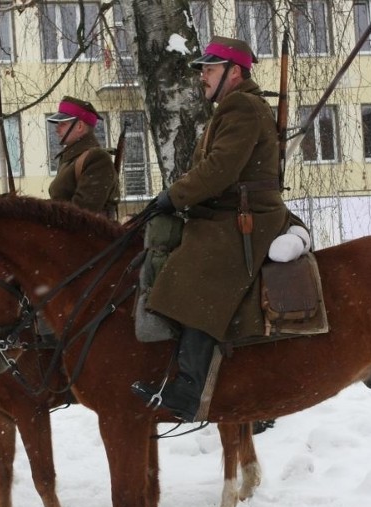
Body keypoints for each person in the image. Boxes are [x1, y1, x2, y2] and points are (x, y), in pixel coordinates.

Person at [131, 36, 296, 422]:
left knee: (193, 272)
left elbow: (219, 170)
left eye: (210, 69)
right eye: (203, 69)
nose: (202, 76)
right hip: (227, 213)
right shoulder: (231, 108)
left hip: (246, 219)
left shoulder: (241, 106)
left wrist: (174, 196)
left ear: (234, 72)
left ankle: (189, 388)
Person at [46, 96, 120, 219]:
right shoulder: (71, 158)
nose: (57, 130)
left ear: (80, 126)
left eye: (62, 124)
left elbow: (81, 213)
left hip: (92, 236)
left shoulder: (97, 158)